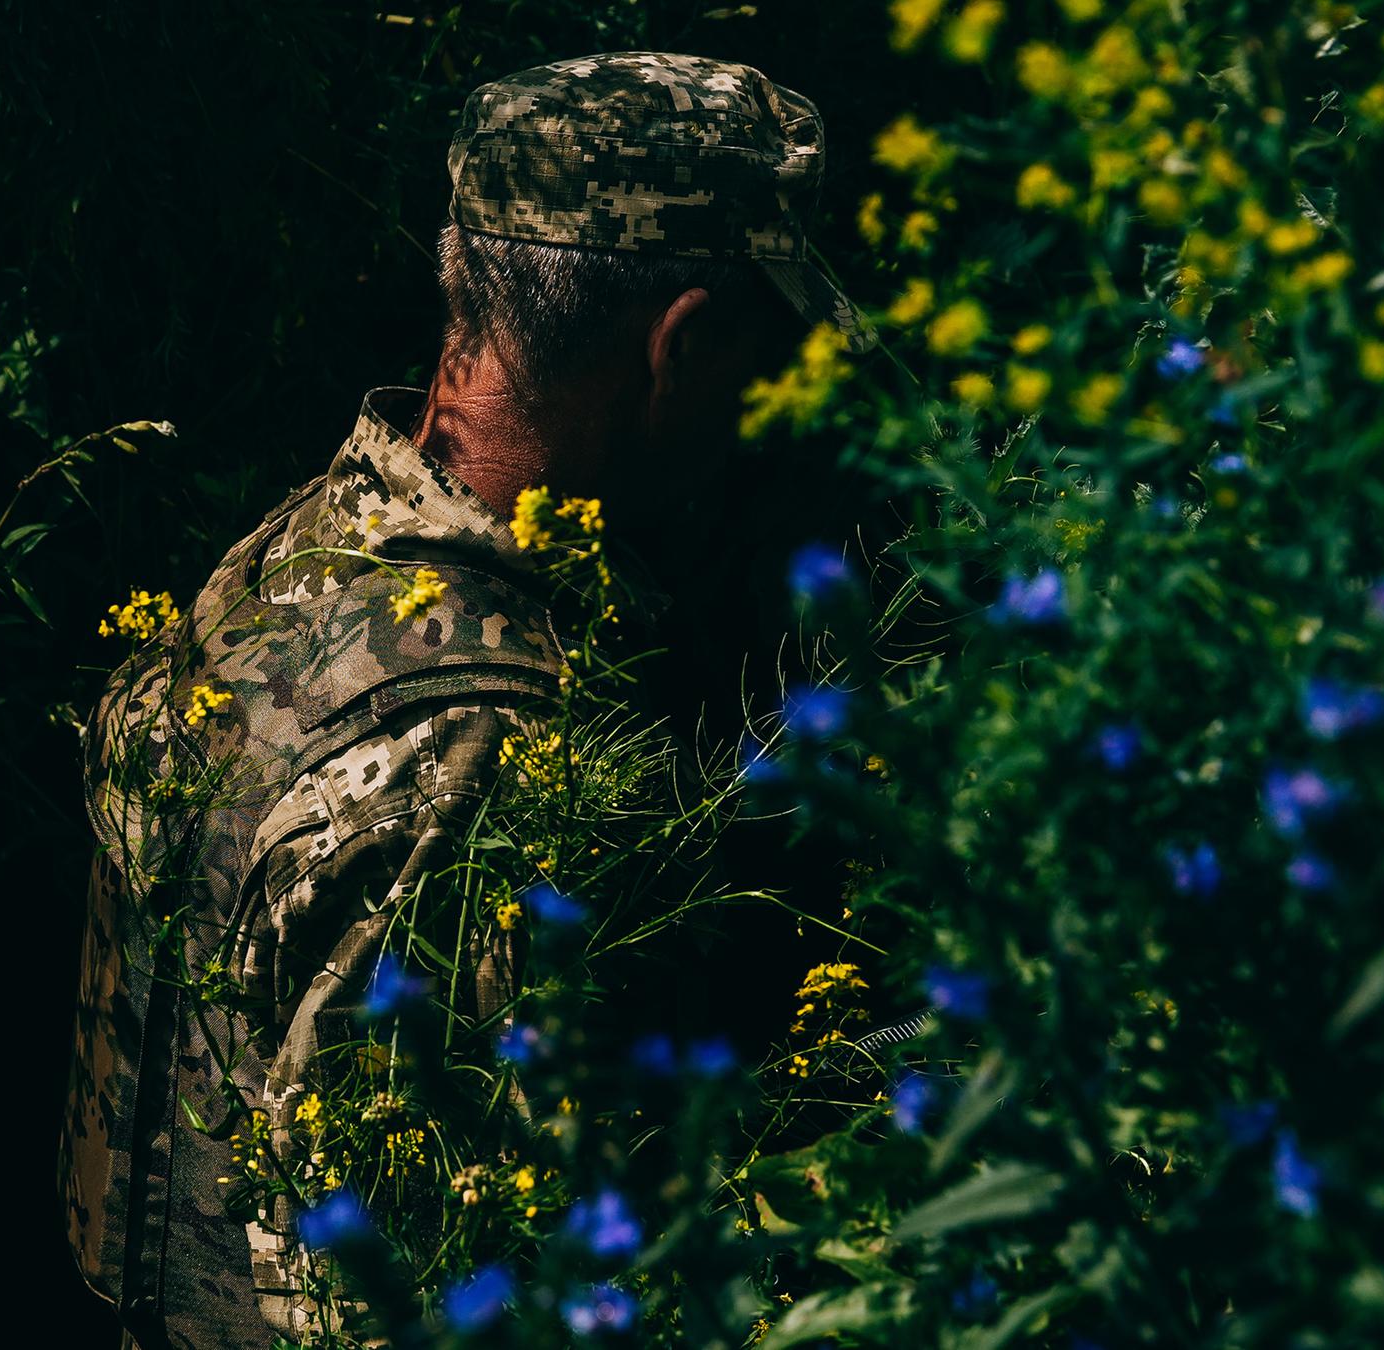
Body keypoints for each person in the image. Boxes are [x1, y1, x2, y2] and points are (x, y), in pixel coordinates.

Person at [59, 50, 874, 1349]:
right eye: (761, 355)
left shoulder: (291, 560)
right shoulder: (488, 752)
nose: (768, 405)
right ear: (681, 342)